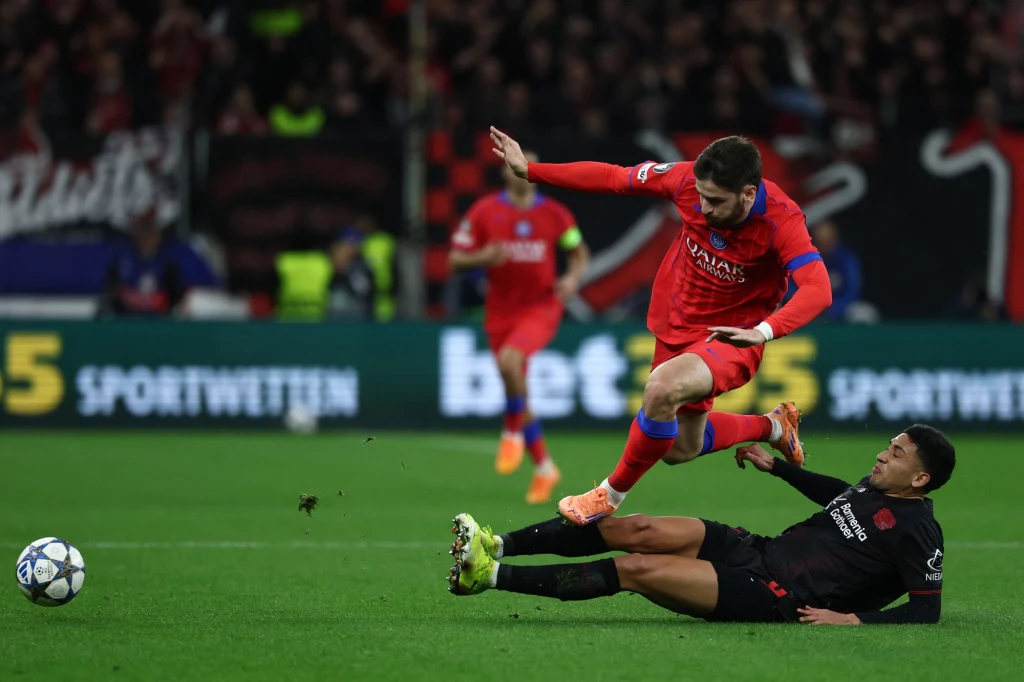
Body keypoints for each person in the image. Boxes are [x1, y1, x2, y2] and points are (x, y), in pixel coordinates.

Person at [489, 127, 832, 525]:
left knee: (661, 389)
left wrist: (765, 331)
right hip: (674, 324)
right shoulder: (685, 180)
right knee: (677, 448)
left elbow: (818, 289)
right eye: (701, 196)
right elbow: (614, 177)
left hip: (732, 337)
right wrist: (531, 171)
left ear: (749, 194)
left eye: (716, 201)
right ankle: (772, 426)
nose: (703, 208)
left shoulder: (782, 221)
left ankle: (606, 496)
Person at [447, 425, 954, 625]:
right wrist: (779, 467)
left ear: (922, 477)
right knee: (638, 527)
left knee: (638, 568)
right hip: (756, 549)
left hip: (773, 592)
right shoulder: (873, 486)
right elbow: (840, 497)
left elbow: (926, 611)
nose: (882, 454)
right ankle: (499, 543)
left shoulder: (918, 531)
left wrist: (852, 619)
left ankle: (487, 577)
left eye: (896, 452)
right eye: (888, 445)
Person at [449, 149, 590, 505]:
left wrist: (572, 279)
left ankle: (511, 430)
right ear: (504, 171)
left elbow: (577, 251)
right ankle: (544, 467)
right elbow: (454, 258)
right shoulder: (484, 211)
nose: (520, 171)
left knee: (510, 363)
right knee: (517, 387)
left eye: (526, 166)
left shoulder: (554, 214)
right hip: (499, 312)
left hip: (541, 308)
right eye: (515, 166)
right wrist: (482, 258)